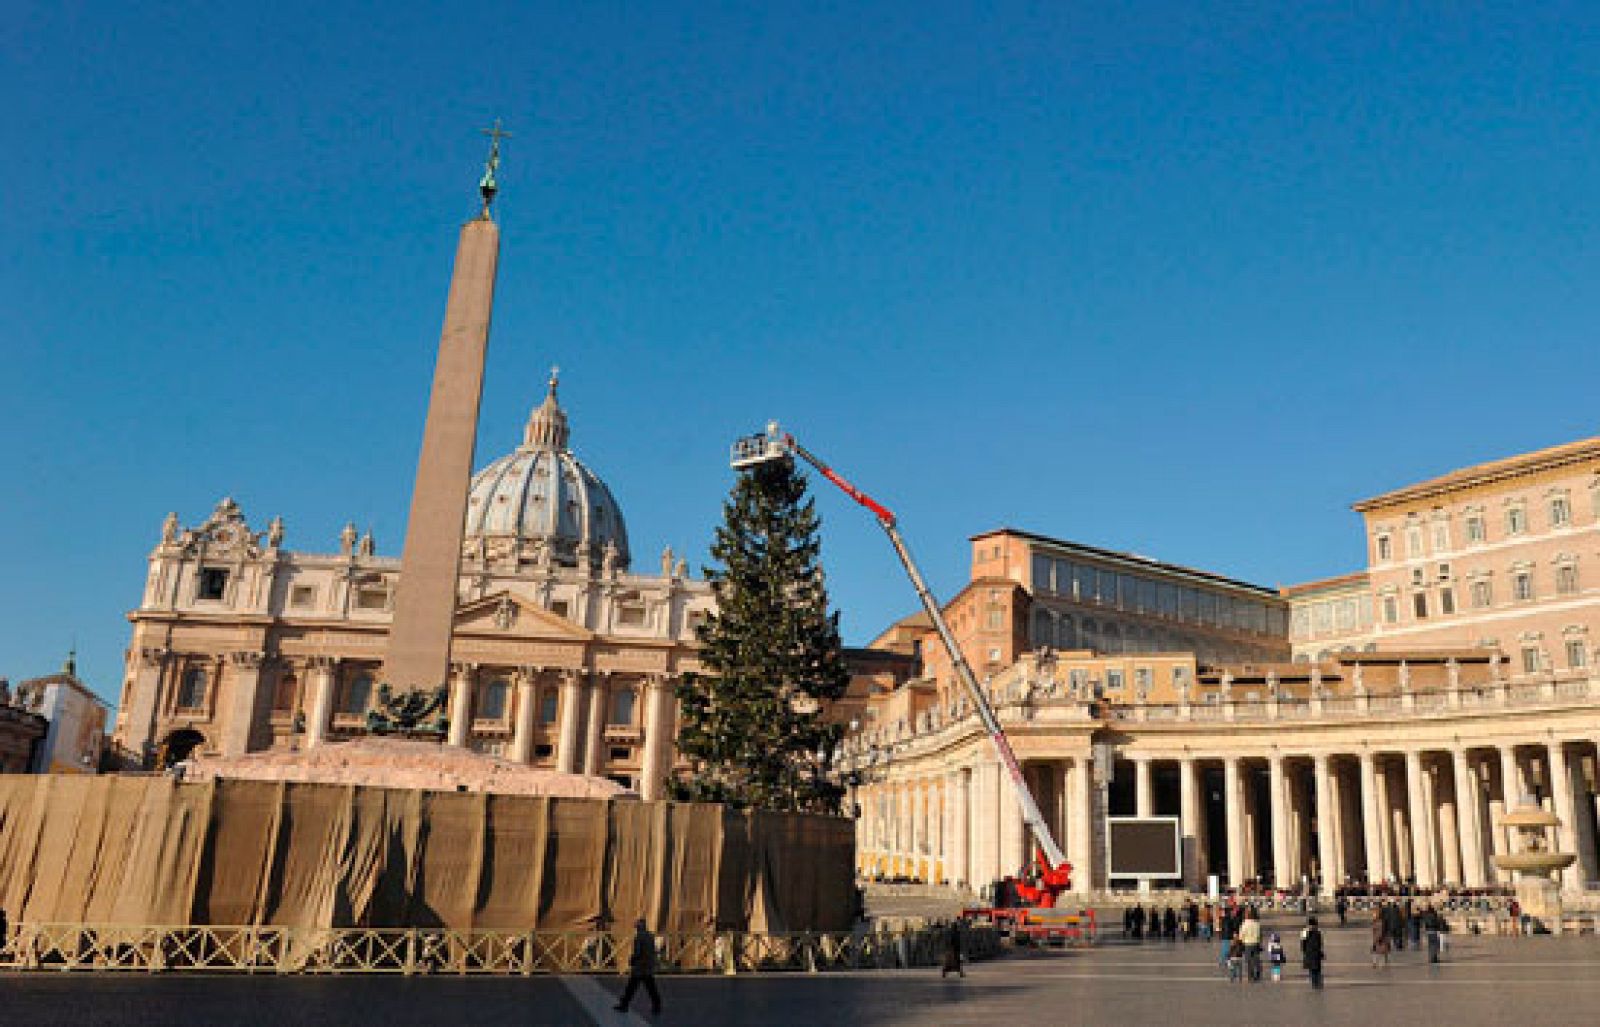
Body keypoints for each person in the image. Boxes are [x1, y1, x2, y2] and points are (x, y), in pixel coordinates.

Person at [615, 919, 662, 1016]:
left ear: (639, 927)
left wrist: (632, 960)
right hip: (648, 965)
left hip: (640, 966)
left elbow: (637, 952)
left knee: (632, 987)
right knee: (650, 987)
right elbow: (653, 950)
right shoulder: (650, 936)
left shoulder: (639, 937)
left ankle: (624, 1005)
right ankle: (657, 1005)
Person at [1238, 908, 1263, 982]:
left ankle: (1250, 976)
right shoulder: (1257, 924)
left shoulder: (1244, 924)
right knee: (1256, 959)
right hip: (1256, 943)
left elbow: (1241, 935)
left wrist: (1241, 941)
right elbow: (1260, 934)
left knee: (1249, 961)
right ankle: (1258, 974)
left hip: (1247, 944)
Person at [1301, 916, 1326, 989]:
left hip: (1310, 952)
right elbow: (1320, 943)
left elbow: (1303, 943)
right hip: (1314, 952)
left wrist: (1304, 951)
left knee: (1313, 970)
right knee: (1316, 969)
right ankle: (1317, 984)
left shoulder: (1305, 932)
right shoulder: (1317, 932)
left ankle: (1315, 984)